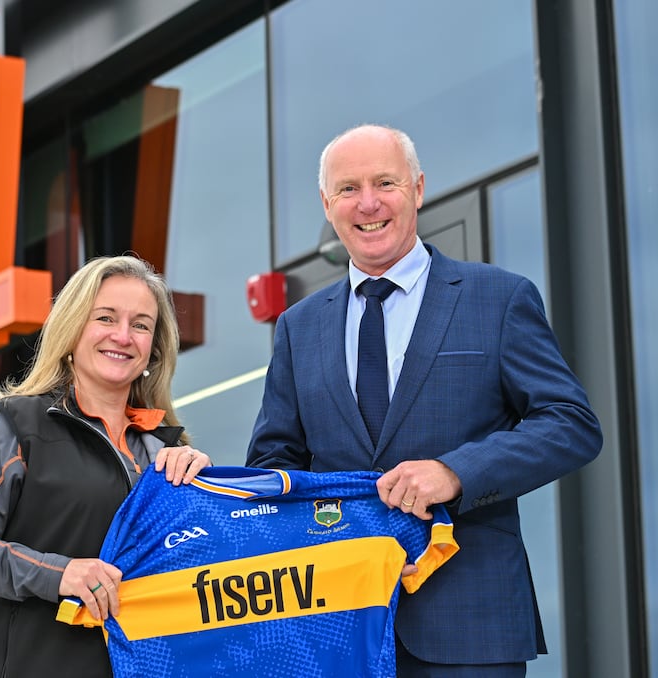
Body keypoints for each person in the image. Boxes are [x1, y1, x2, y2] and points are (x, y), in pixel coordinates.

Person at [245, 124, 602, 676]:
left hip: (469, 626)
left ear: (417, 188)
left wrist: (456, 472)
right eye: (348, 189)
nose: (368, 203)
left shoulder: (497, 298)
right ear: (327, 203)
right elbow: (275, 466)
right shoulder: (298, 327)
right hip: (341, 630)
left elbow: (571, 424)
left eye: (385, 182)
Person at [0, 255, 211, 678]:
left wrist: (206, 493)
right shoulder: (22, 427)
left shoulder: (165, 452)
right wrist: (59, 573)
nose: (123, 336)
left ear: (154, 346)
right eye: (106, 318)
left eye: (141, 325)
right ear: (73, 329)